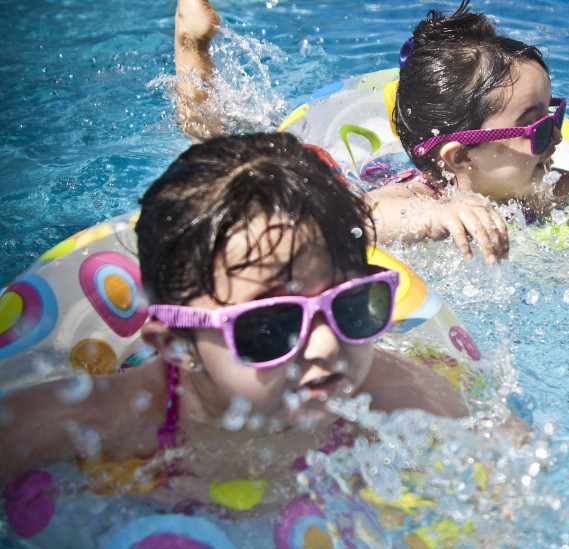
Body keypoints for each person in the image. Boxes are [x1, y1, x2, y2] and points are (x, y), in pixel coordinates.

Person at [0, 132, 468, 488]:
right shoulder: (99, 424)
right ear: (177, 344)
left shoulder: (394, 397)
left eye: (350, 306)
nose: (327, 345)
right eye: (271, 325)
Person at [172, 0, 569, 265]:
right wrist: (437, 213)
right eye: (534, 130)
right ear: (459, 159)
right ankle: (192, 45)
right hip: (359, 174)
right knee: (222, 151)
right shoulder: (417, 192)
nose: (556, 140)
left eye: (554, 117)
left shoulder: (550, 186)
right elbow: (357, 221)